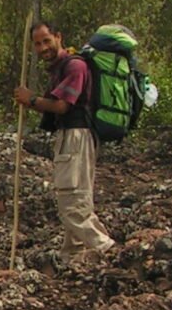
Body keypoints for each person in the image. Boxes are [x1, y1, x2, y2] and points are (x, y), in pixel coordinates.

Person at [14, 22, 116, 256]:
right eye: (38, 44)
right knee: (77, 199)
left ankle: (106, 248)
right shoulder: (59, 68)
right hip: (69, 136)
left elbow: (61, 106)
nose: (42, 48)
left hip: (76, 136)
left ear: (58, 36)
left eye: (46, 41)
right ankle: (73, 255)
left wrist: (31, 100)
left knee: (71, 204)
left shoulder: (75, 66)